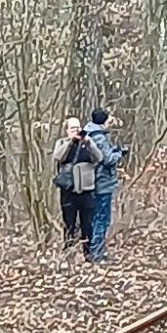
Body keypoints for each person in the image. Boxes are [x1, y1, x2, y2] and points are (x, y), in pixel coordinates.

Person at [52, 116, 103, 259]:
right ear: (67, 130)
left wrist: (88, 143)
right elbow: (58, 157)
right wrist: (70, 142)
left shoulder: (87, 143)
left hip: (87, 191)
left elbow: (99, 157)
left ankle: (89, 254)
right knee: (69, 223)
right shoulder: (62, 143)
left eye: (78, 128)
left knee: (87, 224)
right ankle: (69, 254)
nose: (76, 131)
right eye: (72, 128)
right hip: (69, 191)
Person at [83, 108, 126, 264]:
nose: (110, 122)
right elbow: (107, 160)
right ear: (103, 121)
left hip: (90, 182)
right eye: (108, 120)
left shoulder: (86, 133)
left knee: (94, 218)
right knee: (102, 219)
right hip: (102, 183)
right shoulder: (99, 137)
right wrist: (119, 153)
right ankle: (97, 254)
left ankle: (93, 252)